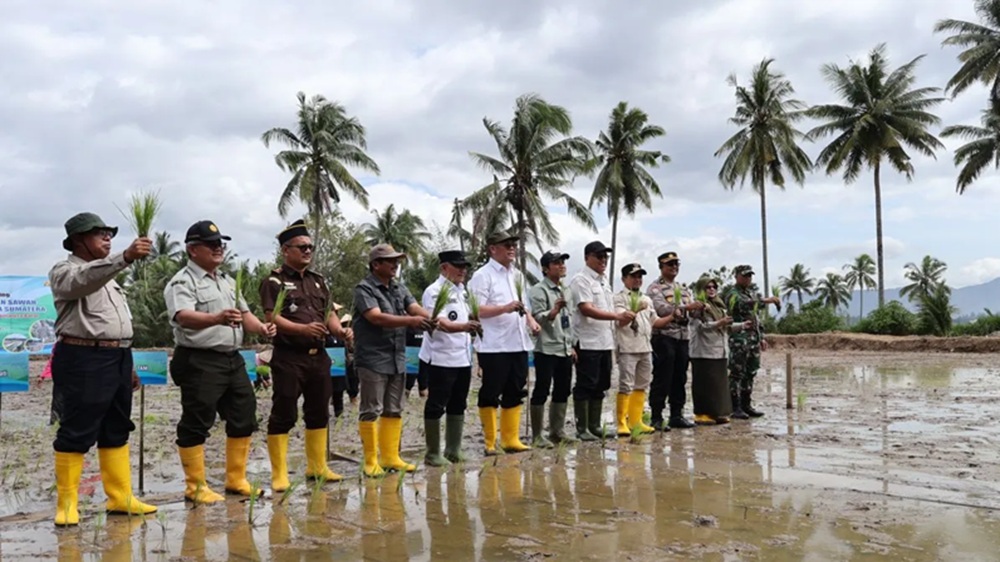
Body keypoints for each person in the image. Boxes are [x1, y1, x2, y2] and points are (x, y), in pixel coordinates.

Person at [48, 212, 157, 525]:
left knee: (117, 425)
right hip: (83, 358)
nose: (108, 238)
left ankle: (119, 497)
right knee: (77, 428)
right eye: (100, 234)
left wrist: (129, 363)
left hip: (117, 357)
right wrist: (124, 257)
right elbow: (81, 282)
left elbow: (116, 326)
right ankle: (67, 504)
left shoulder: (109, 278)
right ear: (79, 240)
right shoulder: (65, 270)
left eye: (110, 234)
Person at [164, 220, 276, 503]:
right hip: (199, 359)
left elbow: (244, 314)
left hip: (232, 358)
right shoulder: (182, 282)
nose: (218, 249)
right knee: (197, 419)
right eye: (211, 244)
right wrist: (216, 318)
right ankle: (195, 487)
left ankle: (236, 479)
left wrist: (262, 328)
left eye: (220, 244)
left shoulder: (227, 281)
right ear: (192, 250)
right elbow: (182, 316)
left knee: (244, 414)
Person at [260, 219, 352, 492]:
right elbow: (271, 316)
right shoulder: (274, 281)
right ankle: (279, 473)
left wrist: (341, 330)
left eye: (310, 246)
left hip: (318, 356)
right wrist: (302, 328)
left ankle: (317, 466)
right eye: (302, 247)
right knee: (284, 411)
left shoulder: (319, 281)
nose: (308, 251)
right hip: (289, 356)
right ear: (286, 250)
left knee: (319, 411)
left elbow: (329, 314)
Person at [354, 244, 435, 477]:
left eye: (397, 260)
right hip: (372, 357)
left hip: (397, 356)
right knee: (371, 409)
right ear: (376, 264)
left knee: (394, 408)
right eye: (390, 261)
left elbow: (414, 307)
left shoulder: (399, 287)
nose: (395, 264)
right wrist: (410, 321)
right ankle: (370, 461)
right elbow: (376, 317)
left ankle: (391, 457)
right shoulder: (364, 288)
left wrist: (433, 317)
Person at [468, 230, 542, 455]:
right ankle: (490, 442)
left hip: (518, 343)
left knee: (515, 390)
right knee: (491, 391)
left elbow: (524, 305)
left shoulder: (517, 275)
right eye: (506, 244)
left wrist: (531, 321)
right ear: (492, 248)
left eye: (513, 244)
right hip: (494, 345)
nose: (512, 248)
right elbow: (476, 310)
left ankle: (511, 439)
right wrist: (505, 308)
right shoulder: (483, 275)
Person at [418, 250, 481, 466]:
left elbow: (469, 316)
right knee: (437, 403)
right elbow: (439, 322)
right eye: (458, 266)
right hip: (441, 357)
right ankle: (433, 452)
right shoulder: (434, 291)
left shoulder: (464, 291)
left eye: (465, 266)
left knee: (459, 403)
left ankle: (453, 449)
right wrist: (464, 327)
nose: (463, 270)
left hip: (463, 357)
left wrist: (472, 323)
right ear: (444, 267)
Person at [568, 241, 635, 441]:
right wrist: (616, 317)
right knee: (585, 384)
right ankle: (582, 428)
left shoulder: (604, 281)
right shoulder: (581, 280)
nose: (603, 260)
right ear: (587, 257)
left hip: (605, 341)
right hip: (587, 341)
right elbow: (586, 308)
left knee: (602, 384)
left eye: (605, 257)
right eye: (599, 256)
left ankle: (595, 425)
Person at [612, 263, 674, 436]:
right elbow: (620, 321)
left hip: (645, 347)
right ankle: (621, 422)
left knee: (642, 384)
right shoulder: (619, 298)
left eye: (640, 276)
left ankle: (636, 420)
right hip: (628, 347)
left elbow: (656, 322)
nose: (637, 280)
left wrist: (671, 316)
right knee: (626, 384)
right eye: (633, 276)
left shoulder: (646, 299)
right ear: (624, 279)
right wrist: (634, 309)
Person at [647, 251, 704, 430]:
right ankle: (656, 416)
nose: (674, 267)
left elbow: (693, 313)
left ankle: (676, 415)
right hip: (664, 337)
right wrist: (686, 307)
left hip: (683, 338)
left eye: (676, 264)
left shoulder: (684, 289)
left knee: (680, 377)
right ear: (661, 267)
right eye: (670, 264)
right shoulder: (655, 288)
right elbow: (662, 309)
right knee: (663, 377)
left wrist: (699, 308)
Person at [527, 250, 576, 447]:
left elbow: (570, 321)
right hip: (546, 348)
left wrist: (572, 345)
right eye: (556, 263)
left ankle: (557, 430)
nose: (562, 265)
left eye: (563, 261)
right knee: (542, 389)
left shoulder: (567, 289)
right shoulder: (538, 290)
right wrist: (554, 310)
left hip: (564, 347)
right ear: (546, 269)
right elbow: (537, 318)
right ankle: (538, 435)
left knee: (563, 389)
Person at [688, 275, 750, 425]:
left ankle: (718, 413)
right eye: (708, 287)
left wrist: (742, 325)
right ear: (701, 289)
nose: (711, 290)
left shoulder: (719, 306)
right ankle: (702, 414)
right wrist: (719, 323)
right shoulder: (697, 307)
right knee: (704, 383)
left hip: (720, 350)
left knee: (718, 384)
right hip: (703, 351)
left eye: (714, 287)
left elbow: (726, 328)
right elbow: (701, 328)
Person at [724, 265, 780, 419]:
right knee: (737, 373)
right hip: (739, 339)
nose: (748, 279)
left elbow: (755, 318)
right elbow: (743, 304)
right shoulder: (732, 294)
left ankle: (746, 405)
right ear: (736, 276)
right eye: (745, 276)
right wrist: (766, 300)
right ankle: (734, 407)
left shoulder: (750, 293)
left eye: (750, 276)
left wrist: (761, 336)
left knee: (750, 372)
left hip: (753, 339)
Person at [330, 313, 359, 418]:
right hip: (329, 363)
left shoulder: (346, 335)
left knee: (341, 386)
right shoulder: (325, 335)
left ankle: (340, 411)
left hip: (342, 363)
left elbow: (350, 348)